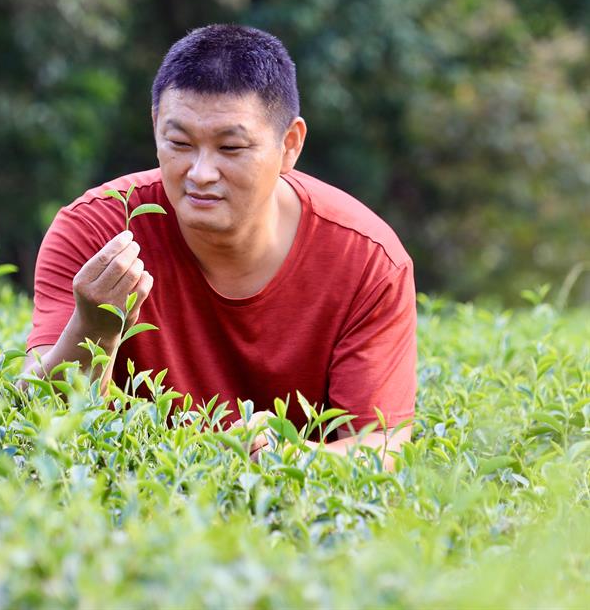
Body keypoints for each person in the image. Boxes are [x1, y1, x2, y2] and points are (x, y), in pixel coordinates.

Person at [25, 24, 416, 461]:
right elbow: (32, 424)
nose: (200, 173)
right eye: (179, 143)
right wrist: (93, 328)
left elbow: (383, 450)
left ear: (290, 145)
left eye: (230, 148)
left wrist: (292, 455)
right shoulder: (96, 231)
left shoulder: (365, 259)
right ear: (155, 127)